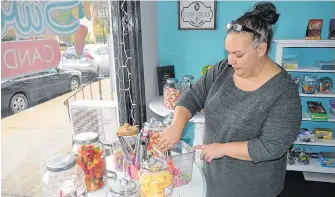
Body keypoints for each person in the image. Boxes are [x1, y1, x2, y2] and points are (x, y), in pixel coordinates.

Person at [158, 2, 302, 197]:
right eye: (228, 52)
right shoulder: (223, 69)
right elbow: (193, 95)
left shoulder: (284, 92)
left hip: (254, 189)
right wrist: (177, 125)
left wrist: (223, 149)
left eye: (238, 54)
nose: (231, 60)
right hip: (213, 180)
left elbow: (270, 147)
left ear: (261, 49)